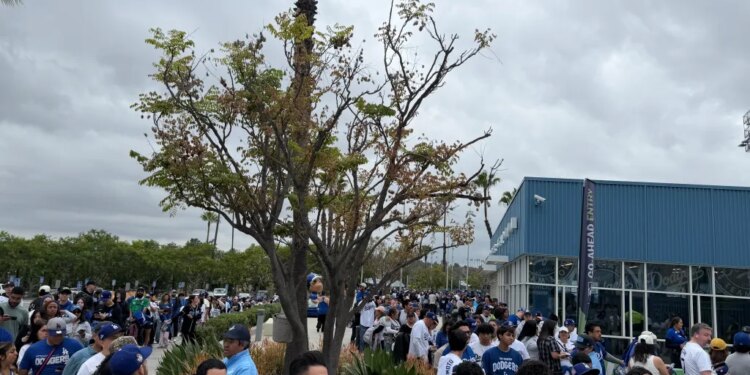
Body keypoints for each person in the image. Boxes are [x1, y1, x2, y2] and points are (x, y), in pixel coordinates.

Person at [18, 317, 83, 375]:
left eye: (61, 334)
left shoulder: (74, 345)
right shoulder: (33, 349)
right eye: (55, 335)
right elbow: (23, 370)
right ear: (48, 332)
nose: (58, 337)